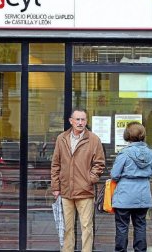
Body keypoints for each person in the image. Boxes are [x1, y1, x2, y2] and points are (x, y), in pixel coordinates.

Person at [50, 108, 106, 252]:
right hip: (66, 191)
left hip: (85, 191)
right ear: (71, 121)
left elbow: (99, 164)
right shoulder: (61, 138)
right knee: (67, 228)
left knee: (87, 227)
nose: (80, 123)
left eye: (83, 120)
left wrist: (89, 179)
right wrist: (56, 187)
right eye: (78, 119)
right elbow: (55, 164)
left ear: (86, 121)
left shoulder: (94, 139)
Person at [110, 122, 152, 252]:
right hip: (143, 195)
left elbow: (114, 175)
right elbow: (151, 172)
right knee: (140, 225)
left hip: (124, 195)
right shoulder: (151, 153)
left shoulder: (124, 153)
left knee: (122, 227)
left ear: (127, 135)